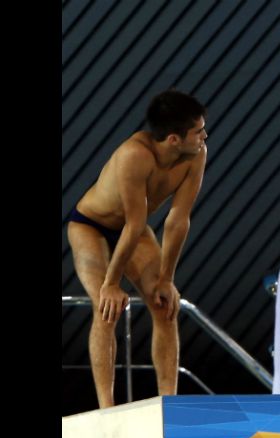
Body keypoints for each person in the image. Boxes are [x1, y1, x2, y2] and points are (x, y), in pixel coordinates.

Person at [67, 89, 208, 408]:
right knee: (106, 308)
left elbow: (178, 220)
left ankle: (169, 403)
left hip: (134, 230)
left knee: (165, 305)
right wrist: (112, 284)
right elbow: (132, 224)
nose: (204, 136)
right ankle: (107, 409)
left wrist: (166, 280)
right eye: (198, 131)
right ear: (174, 139)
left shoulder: (196, 155)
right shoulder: (134, 155)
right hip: (91, 226)